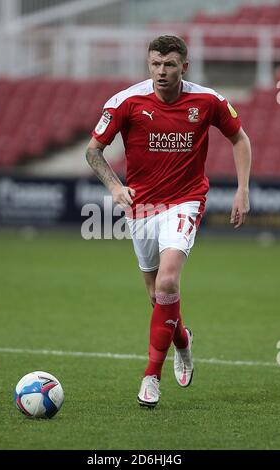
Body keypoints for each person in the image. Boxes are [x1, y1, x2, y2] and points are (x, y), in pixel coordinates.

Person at [86, 35, 251, 408]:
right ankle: (183, 342)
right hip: (141, 207)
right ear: (149, 64)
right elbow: (93, 151)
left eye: (170, 65)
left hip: (185, 201)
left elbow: (239, 139)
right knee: (158, 296)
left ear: (184, 67)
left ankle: (150, 377)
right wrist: (114, 187)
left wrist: (242, 189)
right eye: (156, 64)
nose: (162, 72)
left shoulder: (208, 101)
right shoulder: (125, 102)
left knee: (169, 279)